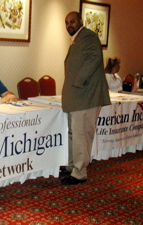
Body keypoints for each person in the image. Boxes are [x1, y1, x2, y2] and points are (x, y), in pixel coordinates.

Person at [61, 12, 111, 185]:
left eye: (72, 21)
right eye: (67, 22)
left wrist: (78, 81)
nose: (69, 25)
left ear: (80, 21)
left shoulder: (88, 36)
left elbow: (94, 58)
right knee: (74, 134)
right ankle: (72, 166)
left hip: (86, 96)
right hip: (77, 97)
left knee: (82, 135)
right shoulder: (77, 39)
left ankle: (80, 172)